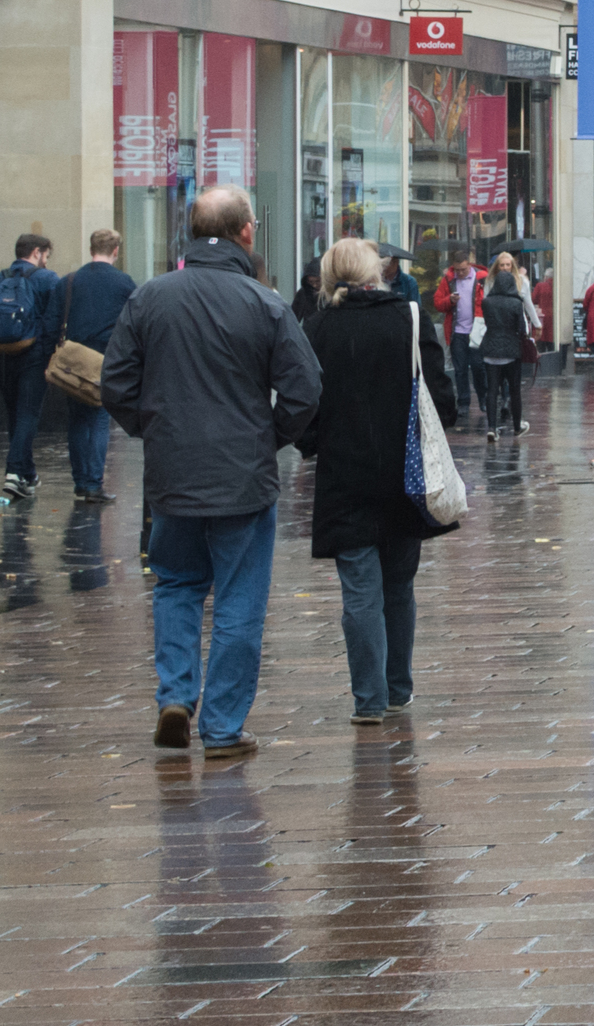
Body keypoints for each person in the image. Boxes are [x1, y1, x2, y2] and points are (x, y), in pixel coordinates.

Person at [100, 186, 321, 765]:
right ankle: (222, 727)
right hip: (244, 476)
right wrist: (270, 437)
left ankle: (176, 695)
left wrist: (155, 432)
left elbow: (116, 385)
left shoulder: (150, 298)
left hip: (173, 477)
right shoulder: (265, 302)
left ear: (190, 234)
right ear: (247, 232)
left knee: (175, 583)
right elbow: (305, 388)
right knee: (239, 601)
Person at [298, 237, 460, 725]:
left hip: (344, 476)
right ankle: (397, 689)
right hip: (404, 475)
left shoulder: (316, 326)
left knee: (359, 591)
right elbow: (444, 401)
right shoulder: (410, 319)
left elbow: (304, 403)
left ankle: (367, 700)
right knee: (398, 585)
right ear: (379, 272)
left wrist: (312, 440)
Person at [0, 232, 62, 501]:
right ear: (37, 252)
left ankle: (27, 474)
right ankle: (13, 474)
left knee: (15, 413)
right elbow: (56, 320)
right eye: (46, 255)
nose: (46, 261)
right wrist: (46, 350)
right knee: (28, 414)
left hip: (0, 357)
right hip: (33, 357)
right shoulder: (47, 279)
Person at [59, 228, 136, 502]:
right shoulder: (125, 283)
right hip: (106, 361)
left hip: (73, 362)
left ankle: (80, 482)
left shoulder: (70, 281)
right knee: (100, 420)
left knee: (77, 421)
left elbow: (53, 321)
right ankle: (93, 484)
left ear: (91, 248)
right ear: (116, 250)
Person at [472, 254, 537, 436]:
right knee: (514, 390)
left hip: (490, 349)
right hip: (511, 351)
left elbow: (487, 321)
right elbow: (521, 329)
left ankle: (492, 428)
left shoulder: (487, 302)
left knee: (492, 390)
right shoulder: (516, 303)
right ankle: (517, 426)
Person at [433, 251, 488, 424]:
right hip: (457, 332)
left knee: (479, 367)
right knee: (460, 369)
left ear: (470, 264)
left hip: (476, 332)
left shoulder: (482, 279)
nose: (461, 273)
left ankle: (483, 400)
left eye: (463, 269)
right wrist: (449, 300)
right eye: (457, 270)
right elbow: (437, 303)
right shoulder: (449, 280)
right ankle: (463, 403)